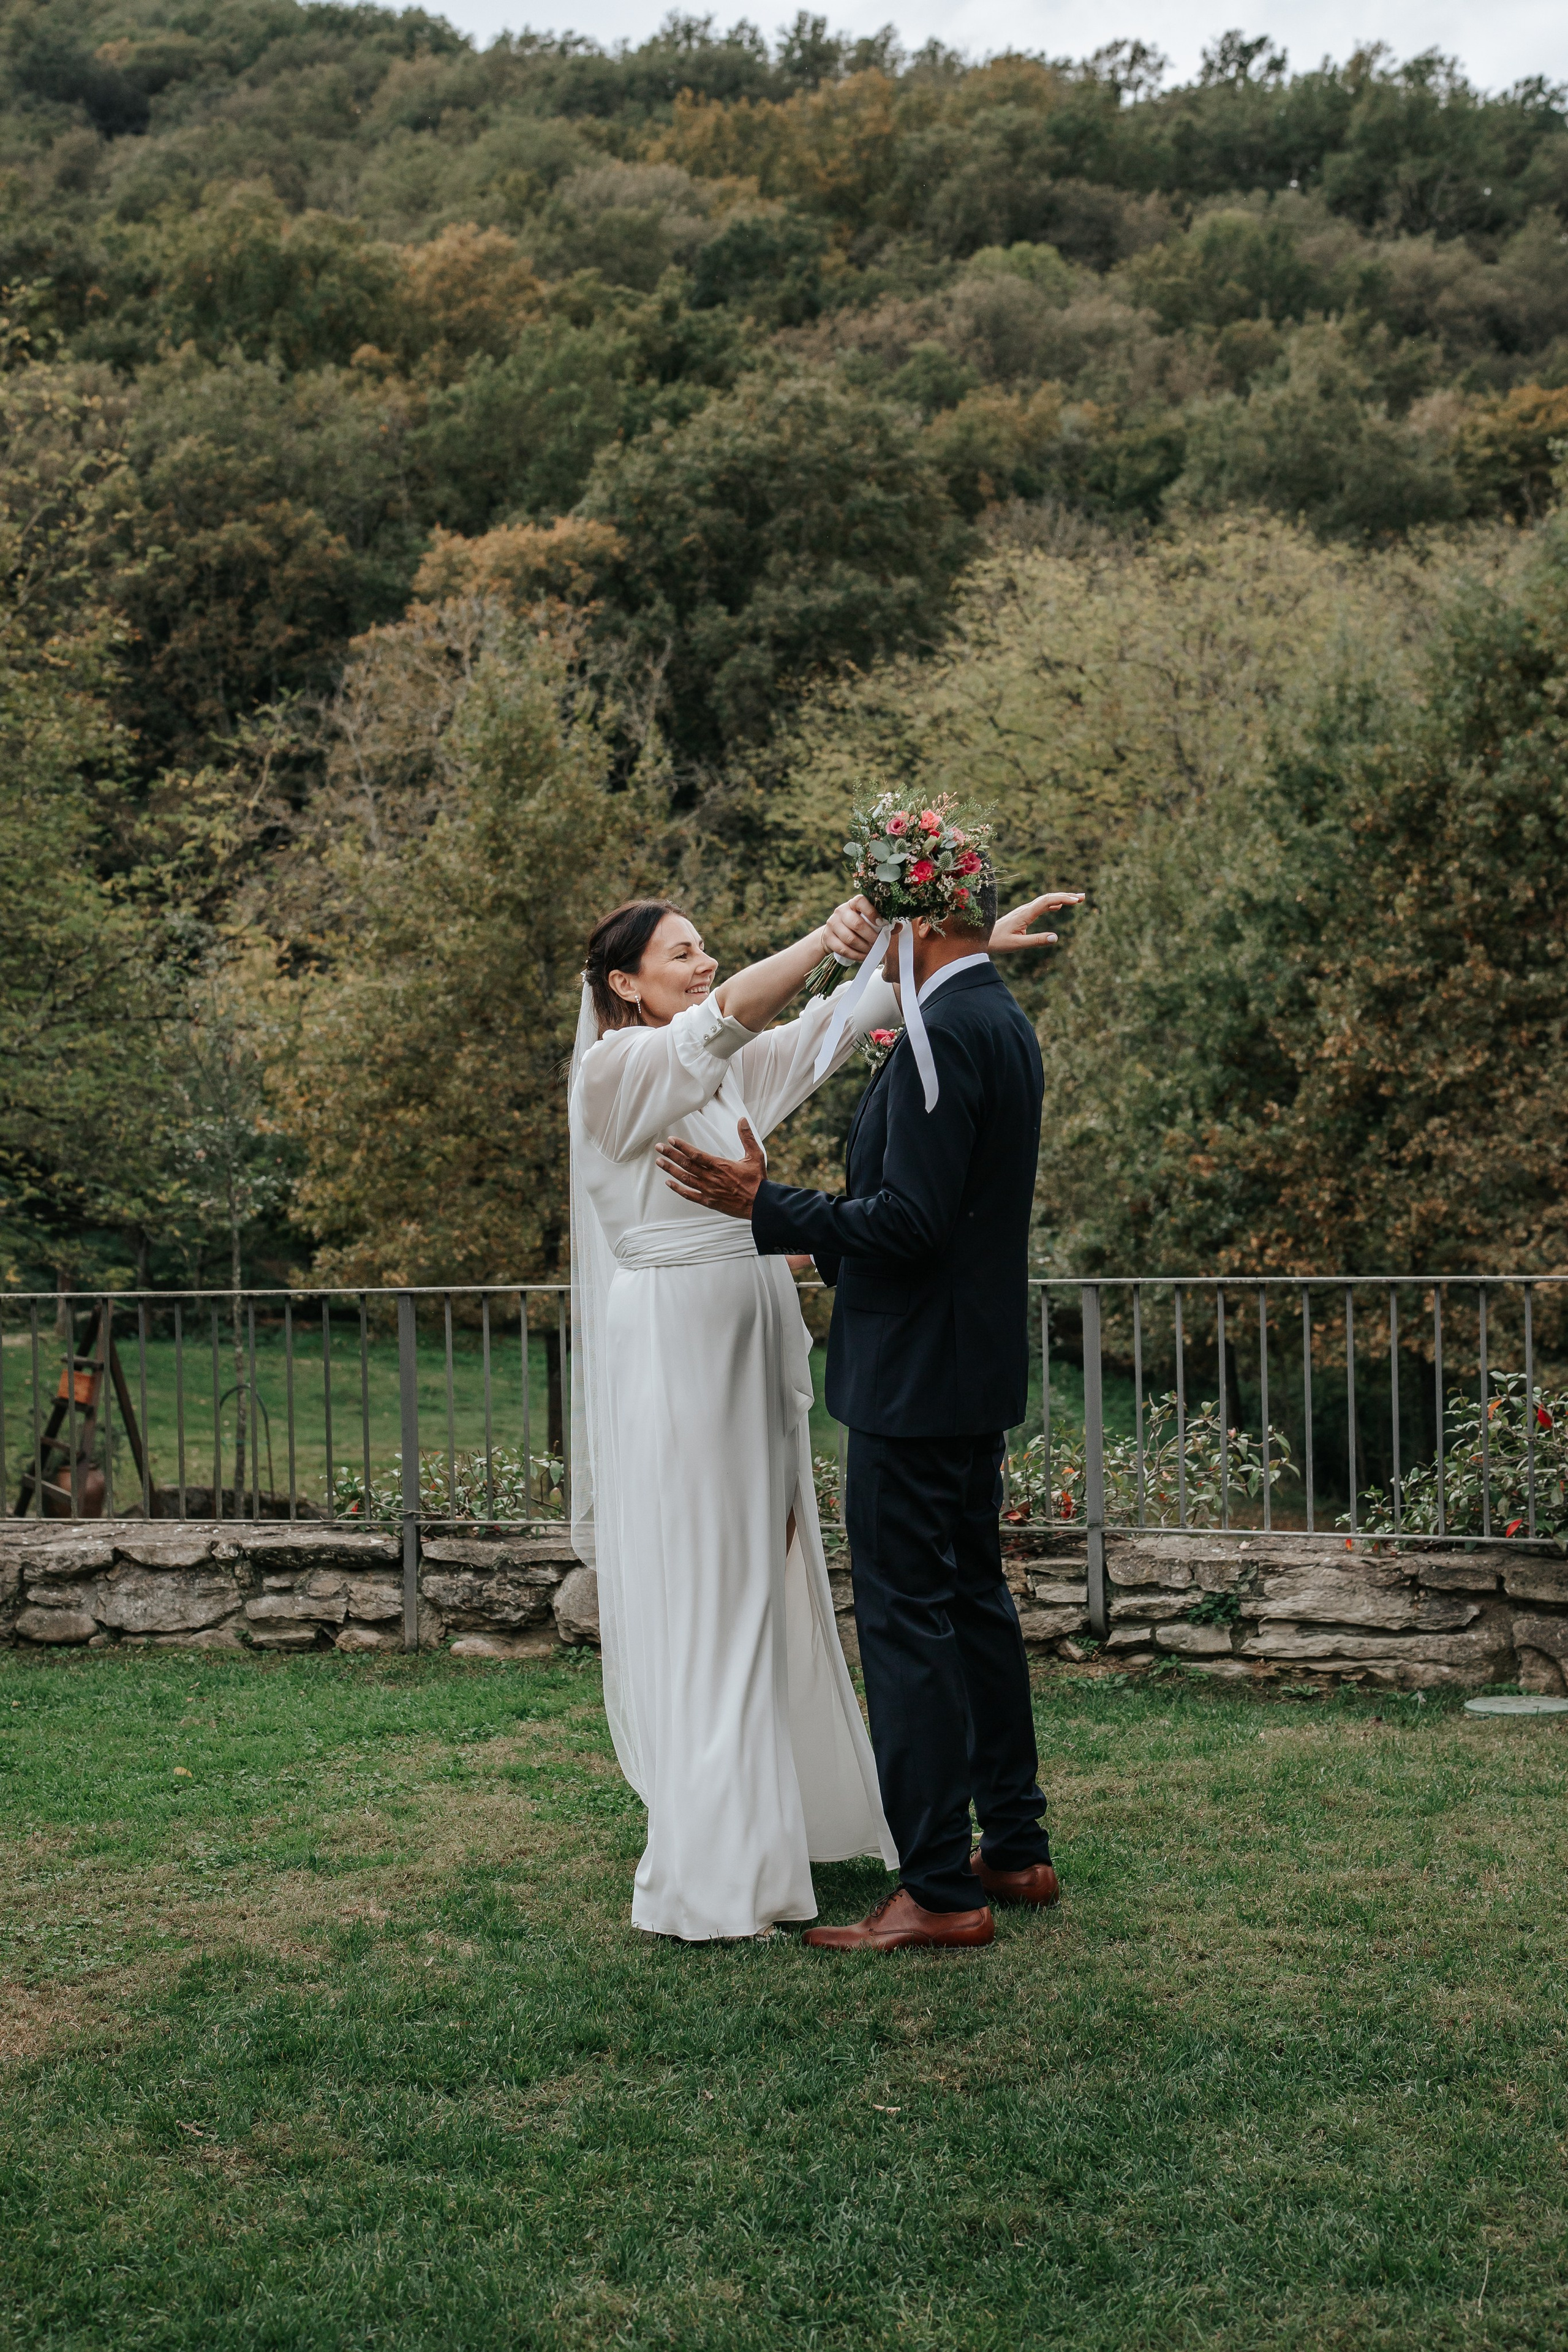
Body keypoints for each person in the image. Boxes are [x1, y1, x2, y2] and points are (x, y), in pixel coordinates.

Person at [570, 886, 1069, 1942]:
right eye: (681, 953)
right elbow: (735, 1021)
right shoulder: (619, 1070)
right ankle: (716, 1850)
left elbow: (828, 1028)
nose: (703, 964)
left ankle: (775, 1816)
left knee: (770, 1568)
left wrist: (955, 950)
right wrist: (830, 935)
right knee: (714, 1573)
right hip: (681, 1342)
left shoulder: (716, 1074)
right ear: (624, 984)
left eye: (708, 945)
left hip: (751, 1331)